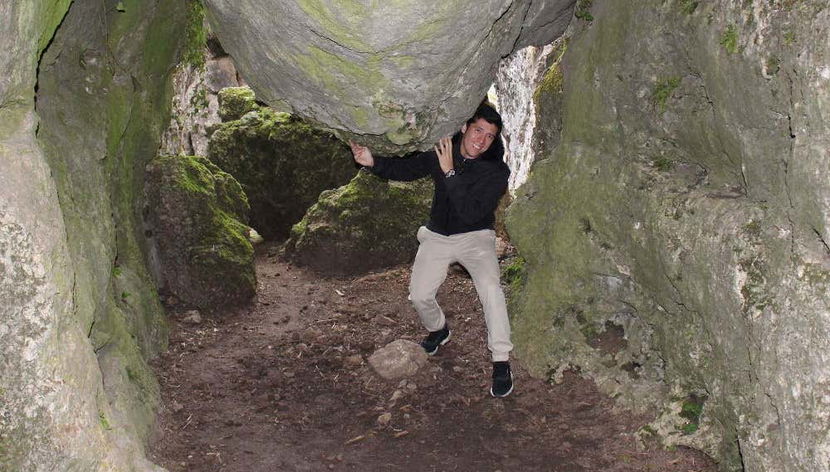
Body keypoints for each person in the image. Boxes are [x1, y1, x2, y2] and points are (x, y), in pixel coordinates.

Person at [349, 102, 514, 398]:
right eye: (478, 130)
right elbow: (408, 168)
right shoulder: (443, 149)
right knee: (420, 294)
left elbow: (469, 212)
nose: (482, 140)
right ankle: (439, 330)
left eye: (489, 136)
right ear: (464, 127)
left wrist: (450, 174)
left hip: (475, 235)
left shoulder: (496, 171)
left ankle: (501, 361)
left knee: (491, 288)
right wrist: (371, 160)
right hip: (438, 235)